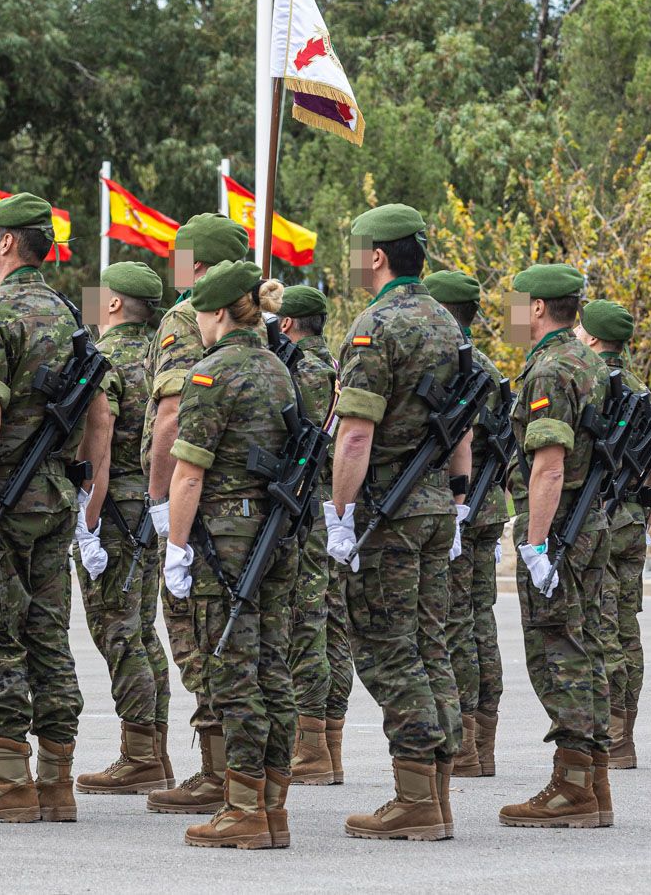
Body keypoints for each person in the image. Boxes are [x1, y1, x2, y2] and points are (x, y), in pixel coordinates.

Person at [0, 191, 113, 823]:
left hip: (5, 499)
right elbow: (100, 415)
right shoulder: (70, 317)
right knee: (47, 633)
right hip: (55, 498)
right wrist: (84, 483)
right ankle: (57, 782)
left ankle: (9, 779)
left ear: (7, 242)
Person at [321, 204, 468, 840]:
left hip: (390, 511)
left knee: (385, 646)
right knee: (429, 642)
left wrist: (339, 516)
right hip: (435, 506)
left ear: (376, 256)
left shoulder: (376, 326)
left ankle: (414, 797)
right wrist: (457, 499)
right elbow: (459, 426)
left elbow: (355, 434)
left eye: (356, 252)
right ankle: (435, 791)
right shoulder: (445, 322)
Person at [160, 261, 298, 848]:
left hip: (227, 541)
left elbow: (188, 473)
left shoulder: (211, 374)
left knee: (233, 671)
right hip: (275, 537)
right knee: (272, 668)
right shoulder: (278, 370)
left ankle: (243, 810)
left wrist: (174, 547)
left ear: (215, 313)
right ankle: (270, 804)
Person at [497, 263, 613, 829]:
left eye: (519, 305)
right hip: (589, 523)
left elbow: (547, 465)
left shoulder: (550, 370)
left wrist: (537, 545)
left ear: (539, 308)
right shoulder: (590, 360)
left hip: (560, 526)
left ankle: (573, 790)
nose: (513, 314)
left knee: (556, 651)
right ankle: (593, 779)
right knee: (583, 644)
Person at [144, 213, 249, 815]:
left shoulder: (188, 318)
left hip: (201, 508)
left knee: (197, 637)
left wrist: (162, 508)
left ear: (200, 265)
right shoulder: (254, 325)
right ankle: (242, 771)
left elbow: (171, 419)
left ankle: (219, 772)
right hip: (248, 510)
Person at [74, 261, 174, 797]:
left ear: (113, 303)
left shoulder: (106, 358)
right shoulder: (160, 353)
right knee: (140, 629)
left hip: (111, 509)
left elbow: (100, 440)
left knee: (115, 628)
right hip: (148, 507)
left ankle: (139, 755)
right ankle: (152, 748)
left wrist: (87, 522)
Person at [579, 299, 651, 771]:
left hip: (599, 517)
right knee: (627, 628)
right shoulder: (641, 391)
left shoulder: (590, 384)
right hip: (632, 517)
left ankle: (612, 735)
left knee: (602, 627)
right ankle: (624, 733)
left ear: (592, 339)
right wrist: (642, 521)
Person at [427, 270, 508, 778]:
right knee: (479, 620)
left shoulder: (453, 364)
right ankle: (483, 747)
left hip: (459, 502)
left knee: (455, 622)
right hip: (487, 505)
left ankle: (465, 747)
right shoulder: (491, 368)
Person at [275, 283, 350, 787]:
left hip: (306, 511)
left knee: (305, 623)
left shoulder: (298, 372)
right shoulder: (341, 371)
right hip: (336, 509)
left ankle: (311, 746)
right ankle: (331, 743)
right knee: (333, 624)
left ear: (286, 324)